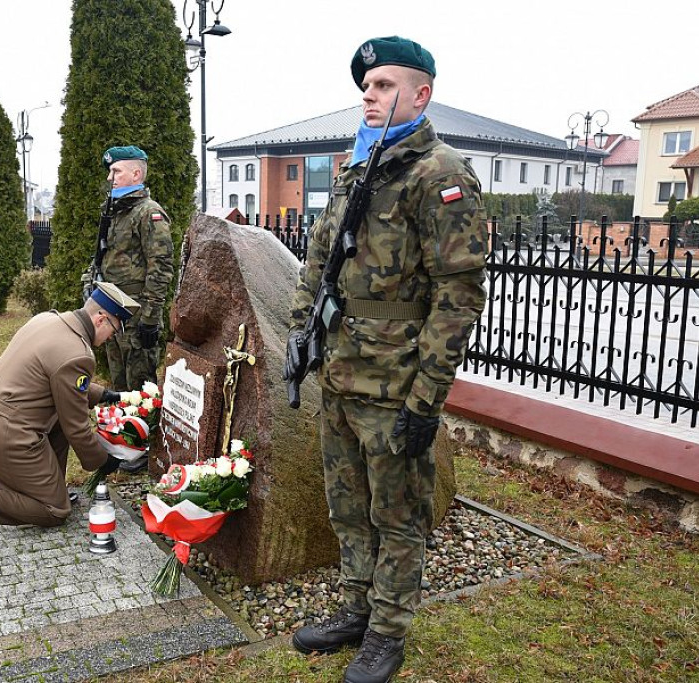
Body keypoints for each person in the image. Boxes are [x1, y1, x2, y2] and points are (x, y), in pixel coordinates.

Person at [288, 36, 488, 683]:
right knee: (347, 505)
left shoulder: (441, 176)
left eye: (382, 86)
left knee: (397, 515)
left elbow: (457, 298)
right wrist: (300, 337)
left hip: (397, 384)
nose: (368, 96)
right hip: (342, 376)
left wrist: (426, 401)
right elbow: (319, 262)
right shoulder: (358, 167)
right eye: (365, 86)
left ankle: (388, 633)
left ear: (420, 94)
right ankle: (355, 609)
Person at [0, 282, 140, 547]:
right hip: (6, 436)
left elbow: (59, 378)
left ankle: (52, 489)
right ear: (100, 318)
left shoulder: (48, 320)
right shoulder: (77, 353)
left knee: (58, 422)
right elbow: (77, 427)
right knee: (54, 511)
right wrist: (104, 461)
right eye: (114, 330)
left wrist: (105, 395)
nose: (111, 338)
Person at [84, 145, 174, 472]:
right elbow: (101, 257)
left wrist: (150, 318)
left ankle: (143, 447)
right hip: (112, 314)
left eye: (116, 171)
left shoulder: (149, 213)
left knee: (140, 382)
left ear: (136, 174)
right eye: (110, 172)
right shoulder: (114, 210)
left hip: (137, 317)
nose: (110, 177)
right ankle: (124, 444)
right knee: (119, 383)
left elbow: (161, 268)